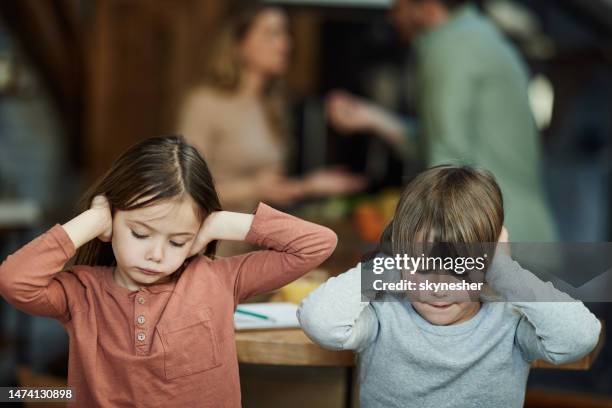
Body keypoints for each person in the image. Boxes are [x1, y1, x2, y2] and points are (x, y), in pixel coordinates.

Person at [0, 135, 337, 407]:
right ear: (112, 223)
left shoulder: (219, 279)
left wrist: (223, 222)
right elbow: (13, 279)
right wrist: (93, 220)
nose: (156, 255)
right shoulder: (82, 293)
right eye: (140, 234)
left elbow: (316, 244)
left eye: (178, 241)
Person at [298, 165, 600, 408]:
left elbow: (578, 337)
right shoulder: (383, 316)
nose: (439, 289)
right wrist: (389, 264)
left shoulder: (508, 323)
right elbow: (320, 321)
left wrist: (506, 273)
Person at [326, 0, 557, 242]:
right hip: (517, 229)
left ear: (427, 6)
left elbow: (447, 159)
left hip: (491, 238)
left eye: (399, 5)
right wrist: (372, 118)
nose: (392, 16)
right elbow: (439, 140)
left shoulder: (449, 46)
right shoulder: (473, 33)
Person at [178, 3, 364, 215]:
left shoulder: (271, 106)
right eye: (271, 33)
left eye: (285, 33)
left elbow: (268, 189)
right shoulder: (205, 103)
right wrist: (253, 188)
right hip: (215, 243)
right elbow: (184, 189)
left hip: (254, 240)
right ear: (239, 44)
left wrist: (311, 185)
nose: (285, 43)